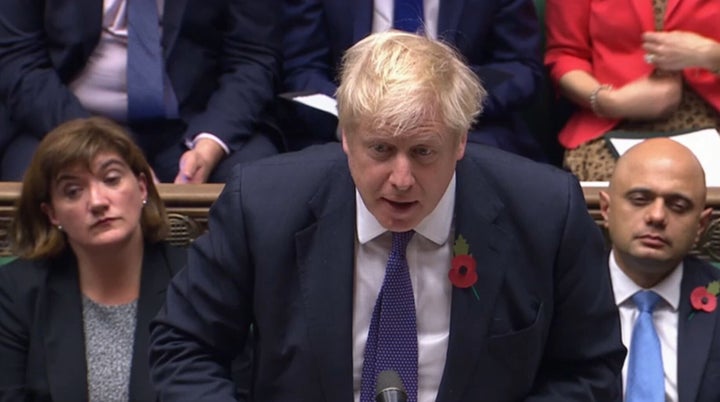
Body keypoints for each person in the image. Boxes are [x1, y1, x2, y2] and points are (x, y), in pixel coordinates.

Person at [149, 31, 624, 401]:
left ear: (460, 142)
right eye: (380, 149)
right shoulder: (262, 204)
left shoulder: (544, 211)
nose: (401, 178)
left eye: (423, 151)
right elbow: (184, 345)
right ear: (346, 139)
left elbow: (590, 370)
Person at [0, 117, 187, 401]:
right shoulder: (16, 291)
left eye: (111, 179)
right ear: (52, 213)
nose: (98, 201)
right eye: (73, 191)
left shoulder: (194, 280)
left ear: (142, 188)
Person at [0, 0, 281, 183]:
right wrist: (100, 147)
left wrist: (209, 145)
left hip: (194, 122)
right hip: (67, 118)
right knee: (33, 183)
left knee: (258, 183)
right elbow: (19, 60)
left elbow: (252, 56)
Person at [280, 0, 548, 161]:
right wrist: (354, 116)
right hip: (345, 127)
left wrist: (448, 104)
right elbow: (302, 68)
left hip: (467, 129)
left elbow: (521, 68)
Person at [599, 138, 719, 402]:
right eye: (640, 199)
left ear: (701, 225)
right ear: (606, 209)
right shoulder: (562, 297)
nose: (657, 216)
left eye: (677, 205)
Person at [545, 0, 720, 181]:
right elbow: (566, 55)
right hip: (614, 119)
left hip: (710, 115)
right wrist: (609, 102)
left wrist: (710, 55)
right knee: (627, 190)